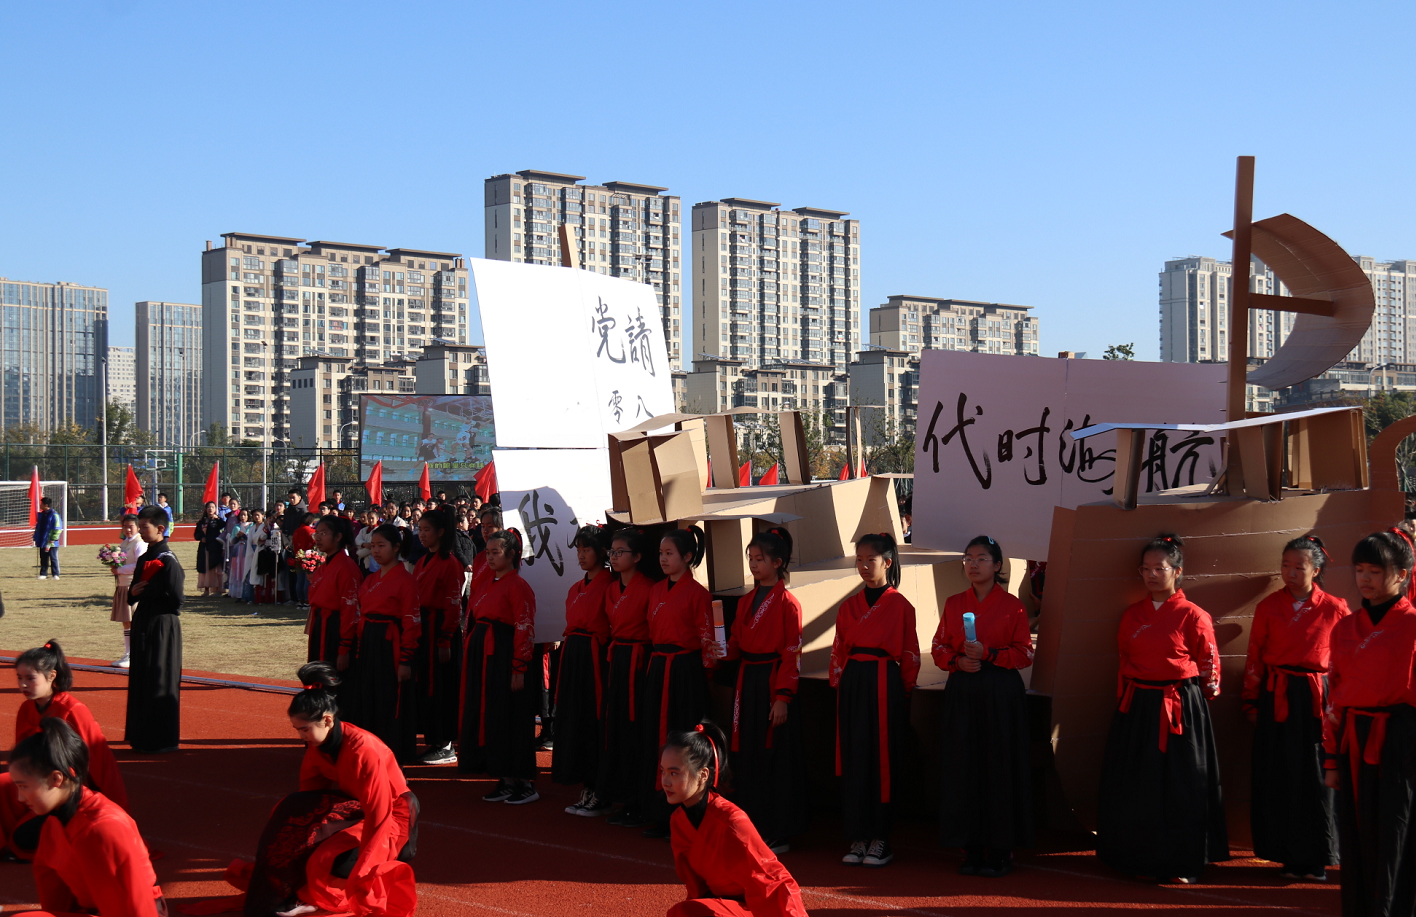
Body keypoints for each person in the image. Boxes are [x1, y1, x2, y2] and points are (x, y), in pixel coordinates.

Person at [1097, 533, 1226, 883]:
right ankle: (1135, 858)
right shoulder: (1132, 614)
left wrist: (1202, 698)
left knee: (1182, 784)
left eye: (1160, 568)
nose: (1152, 575)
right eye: (1146, 569)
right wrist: (1126, 703)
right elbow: (1124, 660)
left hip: (1180, 707)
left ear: (1177, 571)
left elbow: (1209, 664)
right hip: (1137, 706)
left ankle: (1183, 862)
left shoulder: (1194, 615)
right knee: (1139, 783)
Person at [241, 663, 417, 917]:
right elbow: (308, 797)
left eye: (305, 729)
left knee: (328, 856)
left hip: (394, 812)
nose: (301, 736)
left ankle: (315, 895)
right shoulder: (317, 745)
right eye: (297, 730)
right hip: (357, 805)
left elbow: (379, 814)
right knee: (291, 830)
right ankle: (303, 889)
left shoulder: (363, 750)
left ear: (327, 720)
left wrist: (365, 870)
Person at [1243, 535, 1345, 882]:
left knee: (1316, 776)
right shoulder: (1269, 606)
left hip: (1317, 699)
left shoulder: (1335, 608)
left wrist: (1341, 707)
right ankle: (1284, 853)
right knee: (1281, 773)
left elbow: (1344, 662)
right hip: (1277, 694)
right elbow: (1255, 656)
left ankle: (1317, 855)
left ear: (1315, 570)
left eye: (1298, 566)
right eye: (1285, 565)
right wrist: (1252, 702)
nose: (1290, 572)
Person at [1324, 531, 1416, 914]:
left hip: (1402, 737)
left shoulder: (1412, 625)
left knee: (1398, 829)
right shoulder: (1345, 627)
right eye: (1360, 570)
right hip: (1354, 739)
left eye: (1376, 571)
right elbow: (1333, 697)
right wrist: (1331, 758)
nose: (1365, 579)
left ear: (1404, 574)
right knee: (1359, 832)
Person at [932, 535, 1034, 877]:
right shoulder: (953, 602)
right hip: (963, 689)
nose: (972, 565)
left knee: (999, 765)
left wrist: (990, 654)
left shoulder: (1014, 606)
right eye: (968, 558)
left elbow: (1024, 653)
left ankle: (1001, 847)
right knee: (964, 764)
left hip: (1000, 692)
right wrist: (956, 662)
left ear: (997, 565)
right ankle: (970, 845)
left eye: (981, 558)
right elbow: (939, 646)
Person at [9, 719, 163, 917]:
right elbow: (53, 889)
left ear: (57, 778)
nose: (20, 798)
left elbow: (132, 906)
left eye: (23, 786)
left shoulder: (103, 828)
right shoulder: (55, 819)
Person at [830, 531, 919, 868]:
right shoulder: (848, 606)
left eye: (871, 559)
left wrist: (905, 692)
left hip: (885, 681)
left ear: (887, 562)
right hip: (853, 683)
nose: (864, 566)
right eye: (859, 559)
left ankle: (881, 837)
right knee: (854, 756)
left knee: (881, 759)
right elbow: (838, 652)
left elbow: (910, 653)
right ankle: (858, 834)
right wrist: (840, 686)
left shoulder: (900, 605)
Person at [1, 641, 130, 861]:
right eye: (19, 678)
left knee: (24, 839)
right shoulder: (26, 709)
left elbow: (98, 760)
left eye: (30, 678)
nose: (23, 685)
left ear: (52, 676)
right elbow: (22, 755)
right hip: (38, 780)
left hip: (66, 788)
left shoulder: (73, 710)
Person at [664, 720, 807, 917]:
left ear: (703, 775)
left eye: (674, 773)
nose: (665, 781)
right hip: (725, 905)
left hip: (758, 908)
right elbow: (697, 887)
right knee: (683, 912)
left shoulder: (732, 820)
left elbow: (773, 880)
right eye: (662, 772)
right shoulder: (678, 821)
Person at [726, 528, 807, 853]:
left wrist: (783, 697)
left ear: (778, 562)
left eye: (760, 559)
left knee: (773, 757)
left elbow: (792, 652)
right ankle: (749, 824)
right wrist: (719, 650)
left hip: (772, 680)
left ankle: (776, 828)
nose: (754, 565)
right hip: (747, 680)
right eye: (751, 559)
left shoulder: (788, 604)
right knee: (746, 752)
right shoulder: (746, 601)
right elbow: (734, 642)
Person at [641, 526, 720, 839]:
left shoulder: (699, 594)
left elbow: (707, 641)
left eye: (669, 553)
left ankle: (686, 815)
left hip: (685, 672)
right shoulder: (656, 590)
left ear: (688, 557)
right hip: (659, 667)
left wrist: (706, 676)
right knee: (654, 739)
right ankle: (657, 811)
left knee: (682, 742)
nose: (663, 559)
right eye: (661, 553)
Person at [460, 529, 539, 804]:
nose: (490, 557)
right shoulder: (486, 583)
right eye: (488, 552)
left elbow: (525, 626)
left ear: (512, 555)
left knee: (513, 715)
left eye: (496, 552)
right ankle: (504, 777)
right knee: (493, 714)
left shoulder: (518, 586)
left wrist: (519, 666)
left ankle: (525, 781)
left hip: (505, 655)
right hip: (484, 657)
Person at [556, 525, 615, 815]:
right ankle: (586, 784)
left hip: (596, 658)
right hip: (575, 656)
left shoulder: (610, 585)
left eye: (586, 549)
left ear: (602, 552)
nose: (580, 555)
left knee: (595, 721)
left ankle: (599, 787)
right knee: (576, 719)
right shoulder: (576, 587)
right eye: (578, 550)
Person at [600, 528, 657, 828]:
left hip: (640, 660)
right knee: (617, 725)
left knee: (637, 728)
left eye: (620, 551)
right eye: (612, 550)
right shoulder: (610, 589)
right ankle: (621, 795)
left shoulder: (649, 588)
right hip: (618, 657)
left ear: (637, 557)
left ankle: (638, 799)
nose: (613, 555)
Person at [351, 525, 420, 762]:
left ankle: (395, 755)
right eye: (373, 546)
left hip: (392, 645)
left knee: (391, 699)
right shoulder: (370, 579)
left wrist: (406, 660)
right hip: (371, 641)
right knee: (369, 696)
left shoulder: (406, 580)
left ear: (397, 547)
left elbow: (411, 622)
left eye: (381, 546)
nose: (376, 551)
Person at [125, 504, 184, 754]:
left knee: (159, 678)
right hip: (143, 622)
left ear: (160, 528)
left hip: (162, 626)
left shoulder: (168, 561)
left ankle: (162, 738)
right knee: (142, 678)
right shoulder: (144, 558)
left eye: (144, 526)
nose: (140, 530)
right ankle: (141, 735)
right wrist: (132, 592)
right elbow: (131, 596)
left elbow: (177, 600)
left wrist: (148, 592)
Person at [413, 507, 465, 766]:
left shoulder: (451, 564)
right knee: (425, 685)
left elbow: (454, 605)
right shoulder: (423, 561)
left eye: (427, 530)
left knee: (442, 687)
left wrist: (445, 639)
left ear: (441, 532)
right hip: (424, 628)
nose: (421, 534)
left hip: (440, 629)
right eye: (420, 529)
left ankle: (445, 743)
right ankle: (434, 738)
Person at [306, 515, 361, 673]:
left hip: (335, 630)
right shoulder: (324, 566)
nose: (318, 538)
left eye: (324, 533)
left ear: (338, 537)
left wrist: (344, 648)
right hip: (320, 626)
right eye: (317, 533)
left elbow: (351, 610)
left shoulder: (346, 567)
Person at [110, 514, 142, 667]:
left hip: (132, 586)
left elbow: (139, 565)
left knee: (133, 622)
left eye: (131, 526)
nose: (128, 529)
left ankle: (134, 654)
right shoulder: (124, 543)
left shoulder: (139, 543)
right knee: (126, 622)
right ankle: (128, 653)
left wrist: (120, 570)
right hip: (122, 585)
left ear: (138, 527)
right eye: (125, 526)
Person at [194, 501, 226, 597]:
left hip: (215, 548)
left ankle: (218, 590)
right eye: (208, 507)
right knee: (205, 567)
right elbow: (196, 534)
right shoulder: (202, 522)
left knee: (216, 568)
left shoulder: (218, 521)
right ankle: (206, 589)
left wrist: (218, 519)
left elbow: (224, 526)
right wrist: (201, 537)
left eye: (212, 507)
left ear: (215, 509)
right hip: (204, 548)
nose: (210, 509)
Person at [225, 508, 252, 601]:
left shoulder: (251, 526)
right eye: (241, 515)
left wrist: (244, 535)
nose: (243, 517)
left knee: (245, 569)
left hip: (247, 551)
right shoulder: (236, 526)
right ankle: (237, 593)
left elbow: (251, 539)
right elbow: (232, 540)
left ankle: (246, 592)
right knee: (237, 571)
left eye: (245, 515)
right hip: (237, 551)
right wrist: (237, 536)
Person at [292, 512, 318, 610]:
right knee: (308, 580)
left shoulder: (297, 531)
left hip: (298, 557)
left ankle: (300, 601)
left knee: (300, 580)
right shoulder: (311, 531)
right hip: (309, 558)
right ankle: (307, 601)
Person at [33, 495, 62, 580]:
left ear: (46, 505)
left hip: (51, 542)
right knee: (43, 557)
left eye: (41, 504)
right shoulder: (41, 515)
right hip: (42, 540)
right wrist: (35, 536)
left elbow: (57, 528)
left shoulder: (54, 515)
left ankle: (55, 574)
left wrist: (53, 538)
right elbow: (38, 527)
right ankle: (43, 573)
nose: (40, 505)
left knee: (53, 557)